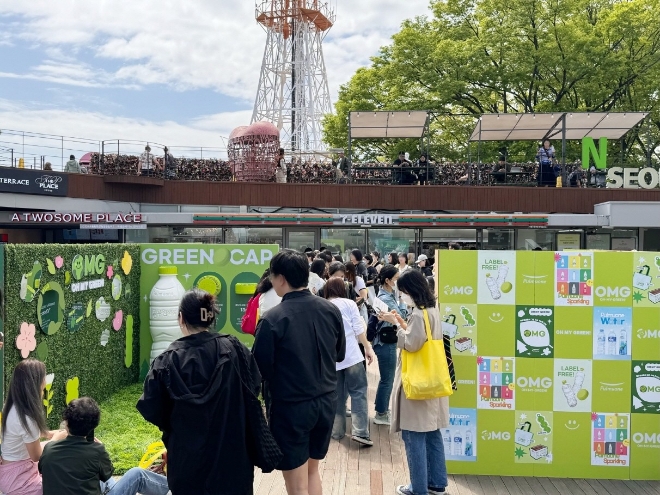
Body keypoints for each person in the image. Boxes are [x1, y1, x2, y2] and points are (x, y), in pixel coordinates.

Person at [137, 289, 260, 495]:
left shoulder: (167, 360)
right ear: (211, 317)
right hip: (233, 456)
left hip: (187, 459)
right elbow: (253, 388)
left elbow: (152, 407)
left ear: (181, 318)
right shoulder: (236, 349)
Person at [253, 250, 346, 495]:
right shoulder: (330, 310)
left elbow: (259, 369)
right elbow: (339, 354)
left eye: (272, 277)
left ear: (281, 278)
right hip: (326, 402)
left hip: (291, 408)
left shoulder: (272, 319)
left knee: (296, 486)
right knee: (312, 472)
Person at [379, 270, 450, 495]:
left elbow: (410, 343)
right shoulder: (432, 310)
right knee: (432, 433)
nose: (402, 295)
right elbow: (418, 335)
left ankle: (418, 487)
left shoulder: (419, 314)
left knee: (413, 435)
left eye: (403, 291)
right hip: (433, 380)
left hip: (417, 383)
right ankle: (437, 483)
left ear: (411, 290)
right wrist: (399, 320)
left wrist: (396, 325)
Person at [39, 397, 169, 495]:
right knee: (137, 474)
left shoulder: (49, 449)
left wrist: (54, 441)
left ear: (66, 423)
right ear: (94, 426)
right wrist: (101, 448)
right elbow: (107, 474)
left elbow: (43, 469)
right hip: (100, 475)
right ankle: (176, 488)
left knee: (98, 476)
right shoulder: (96, 451)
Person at [0, 359, 68, 495]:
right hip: (18, 479)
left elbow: (21, 434)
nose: (45, 382)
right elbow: (37, 456)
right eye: (43, 377)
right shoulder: (26, 418)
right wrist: (56, 437)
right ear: (34, 383)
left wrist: (47, 434)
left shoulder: (13, 407)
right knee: (62, 485)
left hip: (10, 469)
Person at [323, 278, 375, 446]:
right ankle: (360, 432)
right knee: (358, 392)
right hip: (352, 355)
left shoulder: (322, 305)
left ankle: (337, 431)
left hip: (332, 359)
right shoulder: (349, 303)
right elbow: (359, 329)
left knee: (336, 395)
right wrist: (367, 347)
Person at [372, 265, 407, 426]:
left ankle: (382, 409)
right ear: (388, 280)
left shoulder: (385, 294)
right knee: (387, 379)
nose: (398, 282)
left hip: (384, 341)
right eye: (396, 279)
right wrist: (402, 300)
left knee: (386, 378)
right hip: (385, 342)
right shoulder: (386, 298)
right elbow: (402, 316)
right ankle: (381, 413)